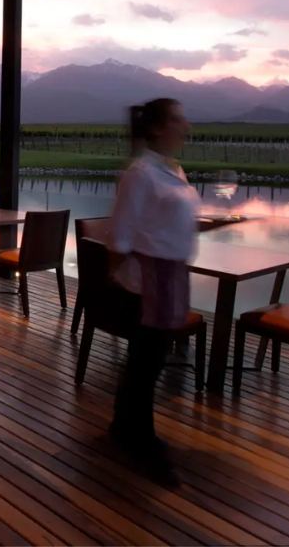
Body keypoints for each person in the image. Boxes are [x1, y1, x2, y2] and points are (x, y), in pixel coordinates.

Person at [107, 98, 199, 485]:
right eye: (178, 119)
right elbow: (120, 234)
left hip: (171, 274)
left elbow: (166, 219)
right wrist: (118, 277)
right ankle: (139, 437)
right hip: (148, 280)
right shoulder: (141, 174)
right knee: (147, 361)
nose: (186, 126)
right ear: (158, 127)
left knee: (150, 359)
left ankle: (123, 426)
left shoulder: (172, 169)